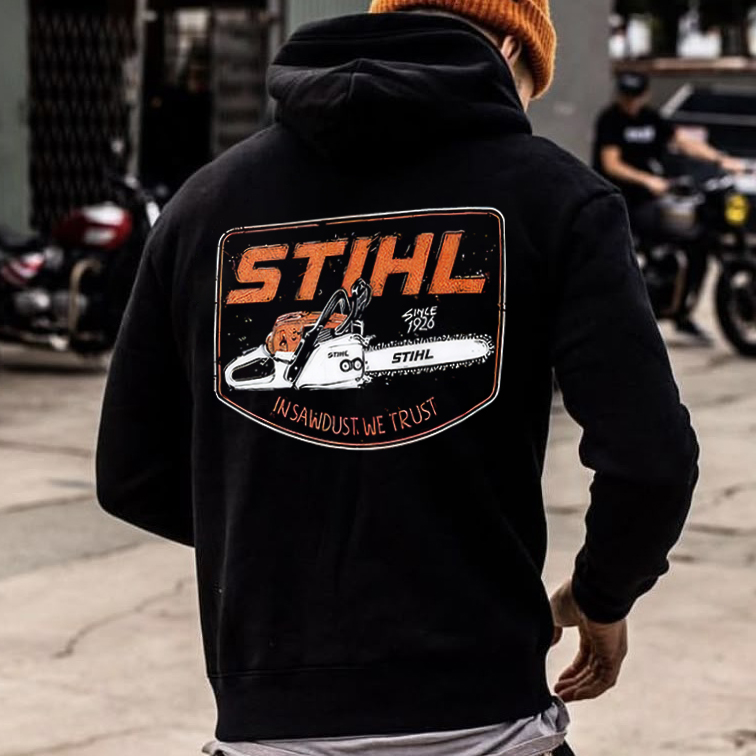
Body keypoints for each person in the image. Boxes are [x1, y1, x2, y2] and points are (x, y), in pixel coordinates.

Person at [96, 3, 699, 756]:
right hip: (484, 716)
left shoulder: (204, 204)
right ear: (511, 44)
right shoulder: (554, 195)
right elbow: (651, 460)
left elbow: (131, 472)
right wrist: (601, 595)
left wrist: (283, 536)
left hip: (268, 719)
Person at [593, 70, 745, 343]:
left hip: (654, 198)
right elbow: (611, 163)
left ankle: (681, 311)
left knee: (697, 242)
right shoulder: (611, 120)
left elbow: (684, 142)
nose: (630, 102)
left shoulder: (651, 118)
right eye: (625, 96)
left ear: (645, 95)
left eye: (635, 96)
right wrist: (648, 180)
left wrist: (721, 159)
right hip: (620, 201)